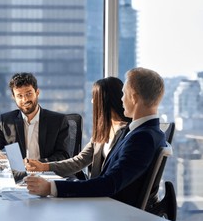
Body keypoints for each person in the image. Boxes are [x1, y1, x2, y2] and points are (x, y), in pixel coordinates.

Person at [26, 67, 166, 208]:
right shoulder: (141, 132)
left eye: (124, 94)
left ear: (134, 98)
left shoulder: (141, 138)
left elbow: (110, 183)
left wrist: (51, 188)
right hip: (106, 205)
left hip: (112, 211)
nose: (121, 99)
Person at [25, 77, 131, 178]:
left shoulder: (128, 132)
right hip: (96, 189)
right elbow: (80, 161)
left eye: (95, 97)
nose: (92, 101)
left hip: (108, 192)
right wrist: (44, 166)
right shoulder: (103, 130)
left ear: (105, 100)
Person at [0, 72, 70, 167]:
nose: (25, 100)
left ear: (37, 92)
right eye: (19, 96)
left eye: (29, 94)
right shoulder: (7, 121)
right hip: (20, 176)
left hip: (48, 175)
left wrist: (38, 164)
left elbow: (63, 156)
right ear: (13, 97)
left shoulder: (58, 121)